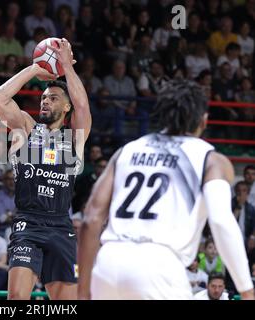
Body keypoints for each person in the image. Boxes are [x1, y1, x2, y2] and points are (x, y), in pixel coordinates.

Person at [78, 80, 254, 300]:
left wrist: (83, 289)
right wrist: (247, 290)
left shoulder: (127, 150)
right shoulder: (211, 160)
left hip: (108, 262)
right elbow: (221, 222)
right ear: (204, 120)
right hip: (160, 265)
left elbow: (91, 218)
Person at [0, 37, 91, 300]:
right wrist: (36, 68)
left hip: (61, 225)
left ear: (66, 107)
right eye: (44, 97)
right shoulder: (26, 127)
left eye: (54, 98)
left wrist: (67, 67)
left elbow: (83, 105)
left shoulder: (74, 138)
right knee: (16, 299)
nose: (45, 101)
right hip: (28, 222)